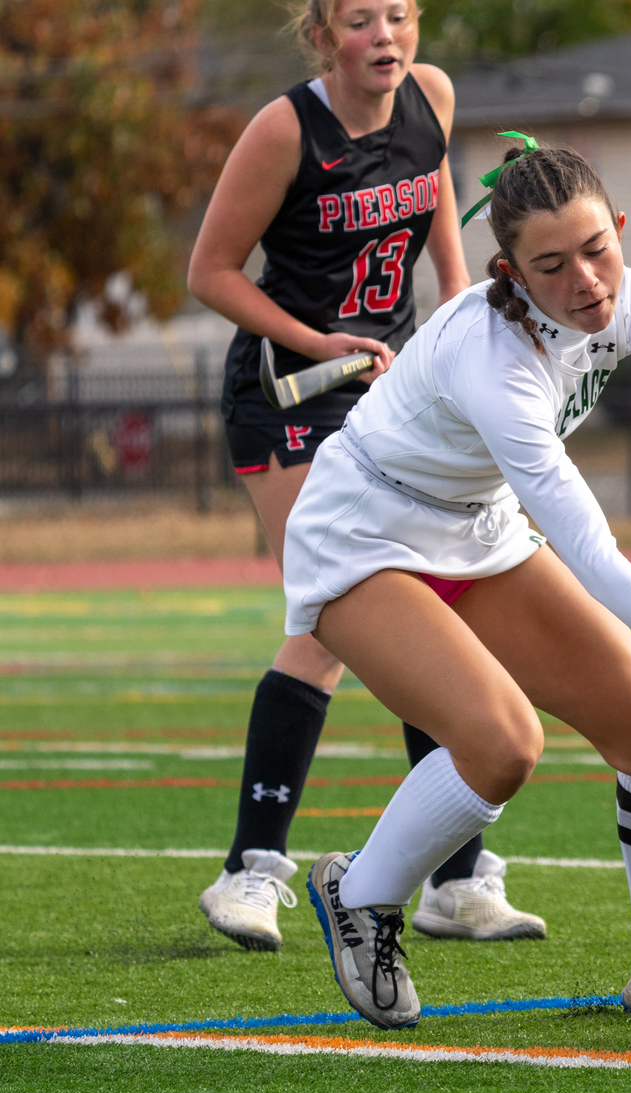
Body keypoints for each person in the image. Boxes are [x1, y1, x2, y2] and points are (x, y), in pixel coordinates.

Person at [288, 139, 631, 1030]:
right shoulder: (496, 361)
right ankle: (360, 895)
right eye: (551, 266)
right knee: (503, 745)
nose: (587, 281)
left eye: (598, 248)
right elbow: (594, 557)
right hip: (362, 534)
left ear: (620, 229)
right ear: (509, 271)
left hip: (475, 528)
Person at [186, 0, 542, 953]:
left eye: (399, 14)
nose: (385, 36)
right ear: (320, 36)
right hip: (291, 390)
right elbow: (211, 271)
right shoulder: (283, 128)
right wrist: (320, 342)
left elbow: (436, 225)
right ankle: (250, 871)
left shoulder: (432, 96)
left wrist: (465, 323)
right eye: (359, 20)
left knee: (434, 617)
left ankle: (458, 883)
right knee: (332, 618)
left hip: (387, 393)